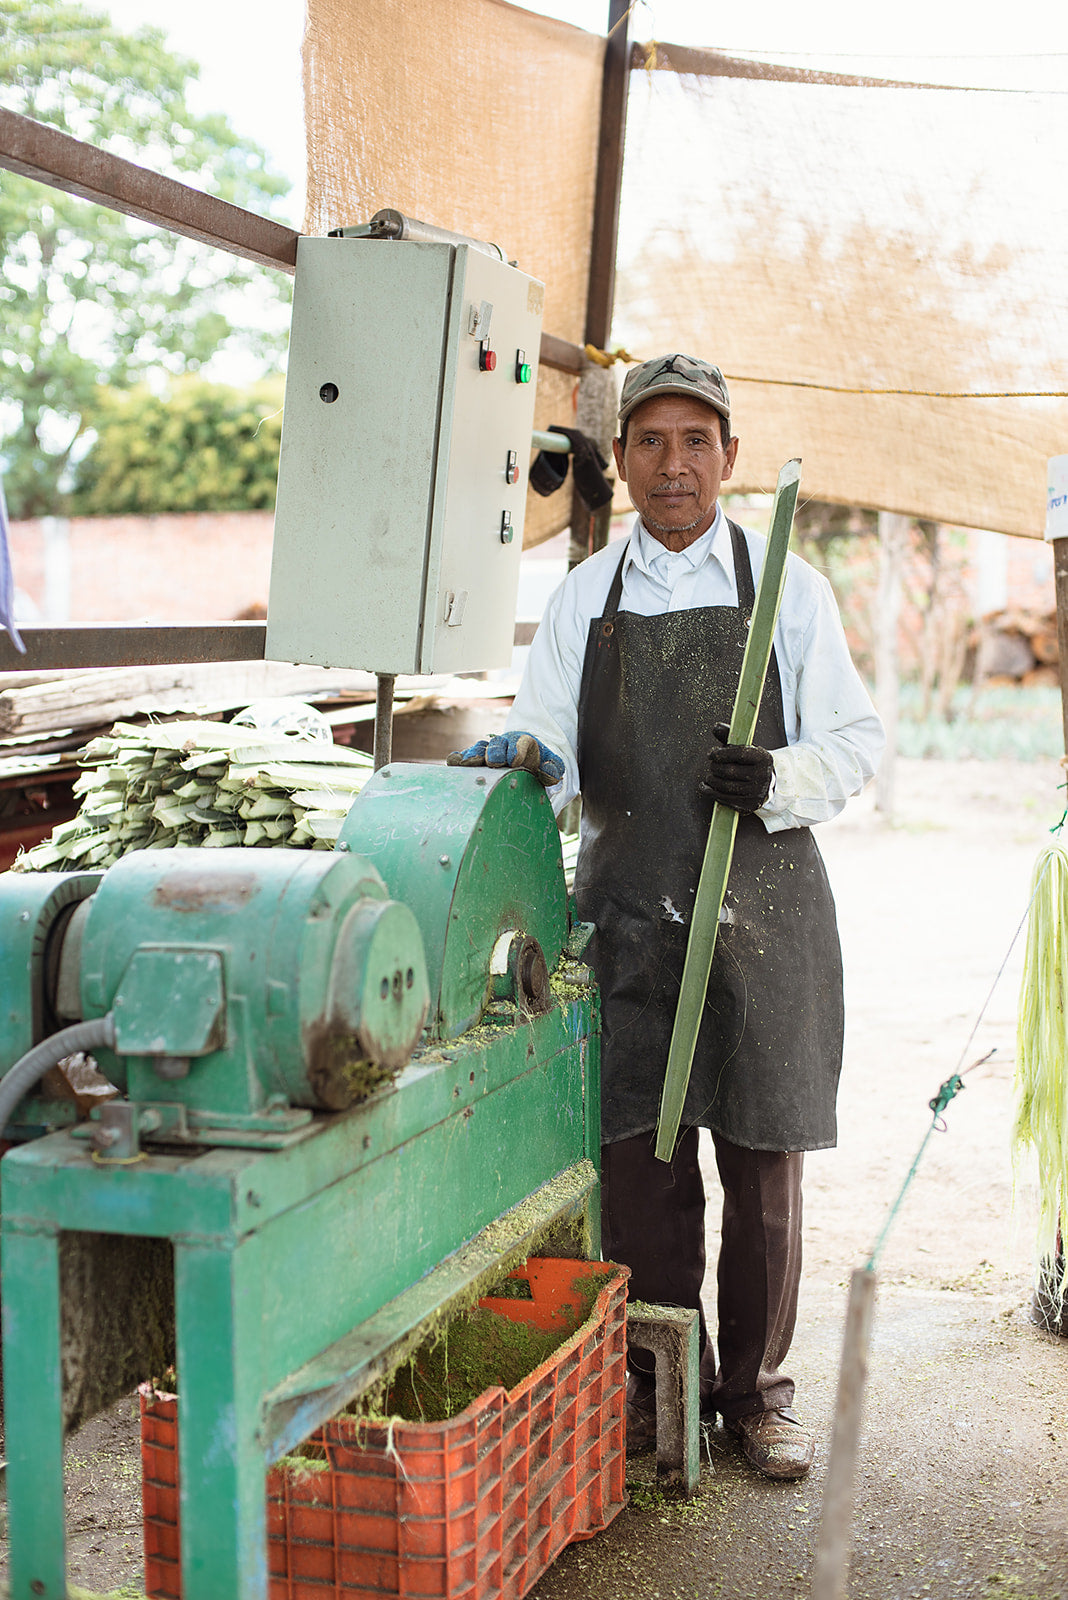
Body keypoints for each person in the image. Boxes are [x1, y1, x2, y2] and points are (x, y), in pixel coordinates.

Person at [449, 353, 883, 1480]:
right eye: (651, 442)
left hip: (767, 915)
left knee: (764, 1166)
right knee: (643, 1169)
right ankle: (659, 1394)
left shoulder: (789, 584)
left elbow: (857, 743)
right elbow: (546, 752)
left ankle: (755, 1396)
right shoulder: (588, 595)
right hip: (629, 917)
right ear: (622, 462)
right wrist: (523, 759)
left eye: (698, 441)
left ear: (729, 458)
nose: (675, 464)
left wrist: (779, 776)